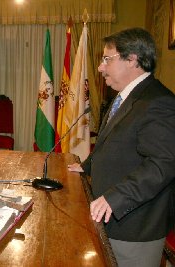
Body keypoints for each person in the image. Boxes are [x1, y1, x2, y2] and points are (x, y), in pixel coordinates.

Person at [68, 28, 175, 267]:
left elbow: (163, 163)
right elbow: (114, 143)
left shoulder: (158, 102)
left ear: (132, 59)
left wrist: (116, 198)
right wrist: (86, 167)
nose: (100, 67)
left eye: (107, 59)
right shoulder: (124, 96)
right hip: (111, 219)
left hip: (134, 227)